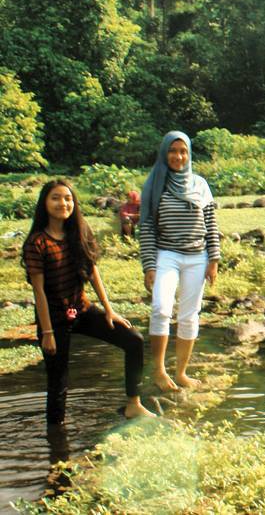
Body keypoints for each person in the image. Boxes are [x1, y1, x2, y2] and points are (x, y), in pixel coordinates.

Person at [22, 180, 153, 425]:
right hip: (54, 318)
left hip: (80, 310)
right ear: (45, 203)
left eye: (68, 198)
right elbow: (38, 291)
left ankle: (133, 405)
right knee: (58, 382)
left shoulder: (80, 231)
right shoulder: (36, 243)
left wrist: (109, 310)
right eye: (56, 198)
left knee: (133, 340)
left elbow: (92, 272)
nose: (63, 203)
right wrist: (48, 332)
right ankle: (56, 443)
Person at [140, 131, 220, 391]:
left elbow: (211, 223)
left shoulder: (200, 184)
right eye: (173, 151)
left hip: (198, 256)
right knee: (161, 308)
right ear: (164, 153)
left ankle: (182, 373)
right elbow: (147, 227)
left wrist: (214, 259)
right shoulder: (154, 184)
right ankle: (160, 371)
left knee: (189, 316)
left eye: (183, 151)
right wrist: (149, 265)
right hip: (167, 254)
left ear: (189, 154)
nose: (178, 156)